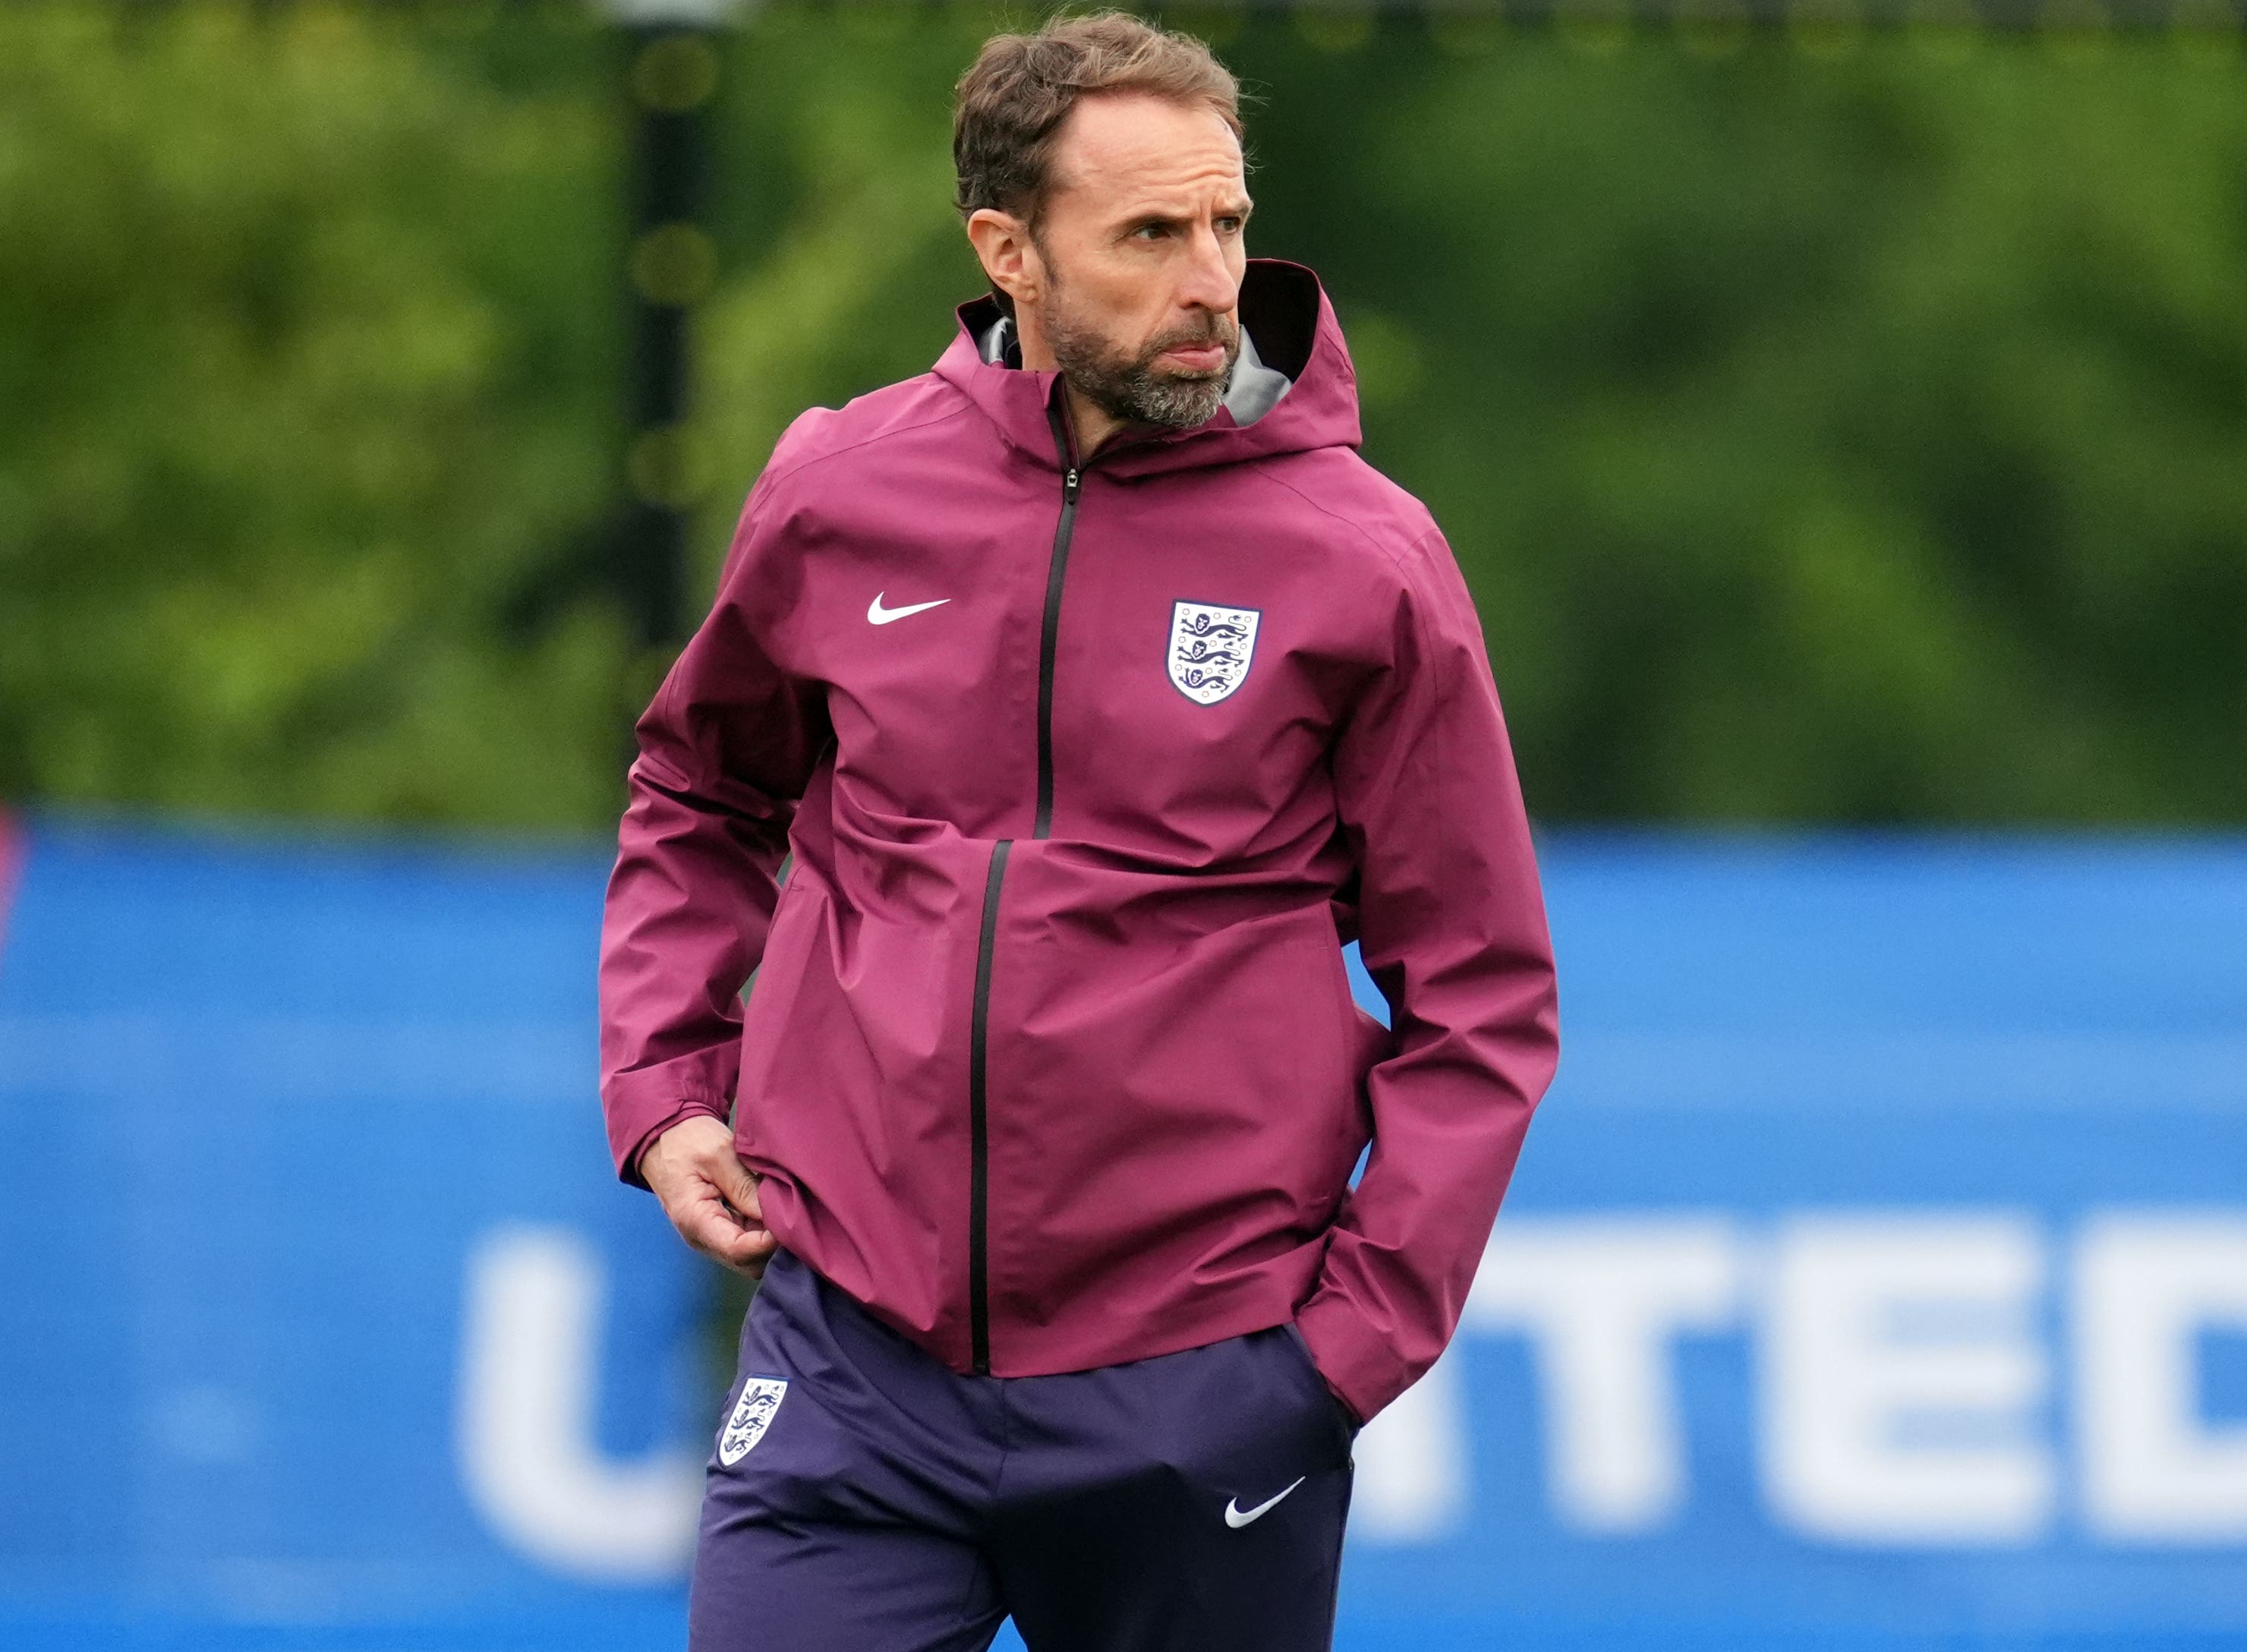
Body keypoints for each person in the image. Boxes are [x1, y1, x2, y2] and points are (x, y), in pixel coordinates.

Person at [598, 11, 1558, 1650]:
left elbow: (1483, 994)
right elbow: (700, 789)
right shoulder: (839, 486)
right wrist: (668, 1084)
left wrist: (1336, 1357)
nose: (1212, 279)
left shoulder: (1367, 556)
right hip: (856, 1366)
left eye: (1230, 223)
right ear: (1008, 249)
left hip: (1200, 1390)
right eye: (1151, 234)